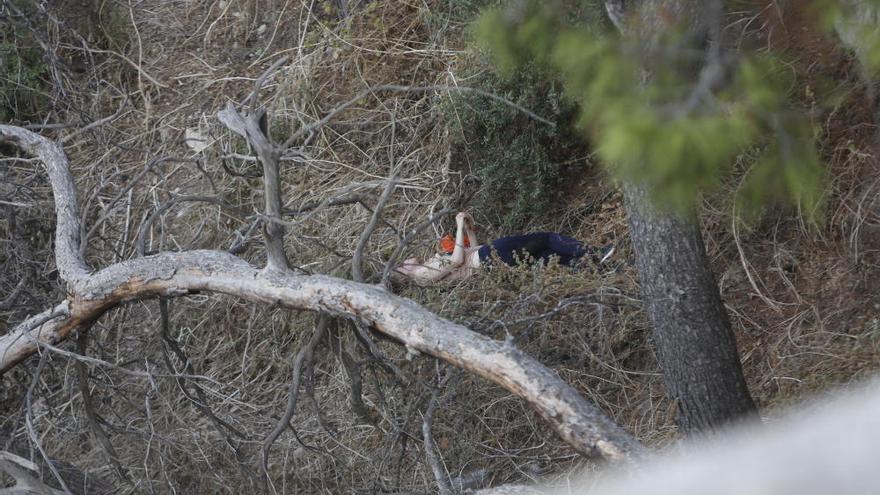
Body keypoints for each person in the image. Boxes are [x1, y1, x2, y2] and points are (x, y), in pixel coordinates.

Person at [392, 212, 612, 286]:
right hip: (490, 257)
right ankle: (596, 255)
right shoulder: (421, 275)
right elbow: (457, 260)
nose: (405, 261)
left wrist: (468, 230)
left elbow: (468, 253)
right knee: (547, 238)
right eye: (401, 265)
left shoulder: (423, 271)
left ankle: (600, 271)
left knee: (546, 256)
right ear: (402, 273)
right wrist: (458, 226)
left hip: (489, 259)